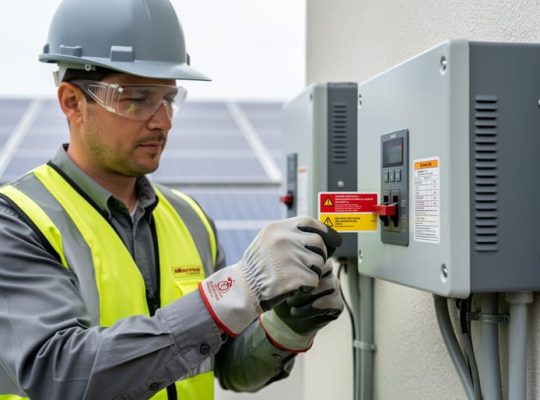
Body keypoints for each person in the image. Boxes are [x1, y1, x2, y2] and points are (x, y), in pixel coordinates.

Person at [0, 0, 344, 399]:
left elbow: (230, 367)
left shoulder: (190, 218)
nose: (162, 120)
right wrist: (234, 292)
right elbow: (62, 374)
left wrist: (290, 324)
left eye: (169, 98)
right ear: (72, 102)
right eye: (135, 98)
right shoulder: (18, 221)